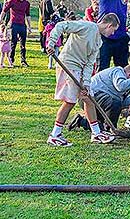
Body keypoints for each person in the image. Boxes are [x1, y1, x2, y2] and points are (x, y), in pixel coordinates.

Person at [45, 13, 120, 146]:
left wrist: (86, 84)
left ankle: (96, 133)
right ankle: (55, 135)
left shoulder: (99, 41)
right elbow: (62, 25)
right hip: (68, 64)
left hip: (79, 69)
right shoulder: (87, 26)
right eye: (113, 30)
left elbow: (89, 64)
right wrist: (51, 43)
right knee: (70, 101)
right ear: (109, 25)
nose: (113, 33)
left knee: (88, 98)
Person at [69, 64, 130, 131]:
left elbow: (121, 104)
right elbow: (121, 87)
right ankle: (110, 128)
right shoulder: (118, 71)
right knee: (114, 103)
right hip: (90, 98)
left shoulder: (122, 80)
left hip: (93, 100)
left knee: (103, 122)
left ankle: (81, 121)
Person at [0, 0, 31, 67]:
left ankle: (23, 60)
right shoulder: (12, 1)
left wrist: (29, 27)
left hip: (22, 25)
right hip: (14, 24)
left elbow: (28, 15)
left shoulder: (27, 3)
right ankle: (11, 60)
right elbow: (3, 11)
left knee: (23, 44)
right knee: (13, 42)